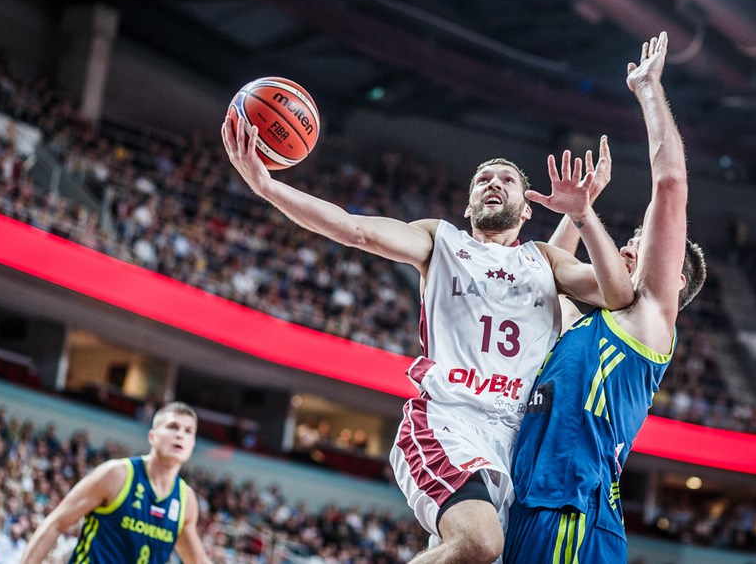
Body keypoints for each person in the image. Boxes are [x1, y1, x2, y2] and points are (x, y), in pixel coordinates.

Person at [222, 110, 634, 563]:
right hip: (448, 421)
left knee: (470, 552)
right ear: (467, 203)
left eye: (506, 180)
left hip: (520, 442)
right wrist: (267, 186)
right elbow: (353, 228)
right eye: (482, 179)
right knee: (481, 542)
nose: (493, 183)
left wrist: (583, 215)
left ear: (528, 207)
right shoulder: (442, 242)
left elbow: (618, 293)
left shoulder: (545, 261)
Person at [503, 32, 708, 563]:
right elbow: (548, 273)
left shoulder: (651, 317)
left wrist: (647, 91)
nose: (628, 244)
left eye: (638, 243)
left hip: (574, 513)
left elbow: (670, 184)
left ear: (675, 280)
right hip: (527, 505)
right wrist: (579, 209)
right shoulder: (585, 321)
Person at [20, 402, 211, 564]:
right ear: (152, 436)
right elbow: (54, 524)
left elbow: (197, 560)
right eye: (173, 427)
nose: (180, 435)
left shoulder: (185, 500)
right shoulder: (116, 475)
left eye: (188, 431)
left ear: (193, 443)